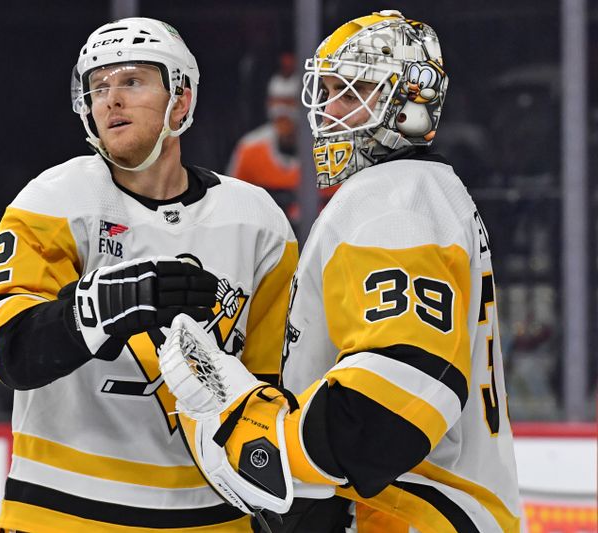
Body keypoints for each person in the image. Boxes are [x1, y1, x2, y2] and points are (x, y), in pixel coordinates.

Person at [160, 11, 521, 533]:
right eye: (326, 92)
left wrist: (263, 439)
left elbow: (398, 399)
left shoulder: (394, 202)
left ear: (410, 106)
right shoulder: (427, 192)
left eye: (351, 94)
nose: (329, 112)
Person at [0, 17, 297, 533]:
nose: (111, 99)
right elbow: (6, 348)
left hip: (212, 519)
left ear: (181, 100)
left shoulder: (256, 221)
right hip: (62, 512)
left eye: (132, 81)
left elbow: (279, 386)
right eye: (98, 87)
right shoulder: (56, 201)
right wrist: (106, 304)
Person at [227, 53, 336, 230]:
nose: (281, 111)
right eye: (275, 101)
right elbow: (232, 207)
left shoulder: (331, 149)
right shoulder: (250, 149)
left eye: (289, 102)